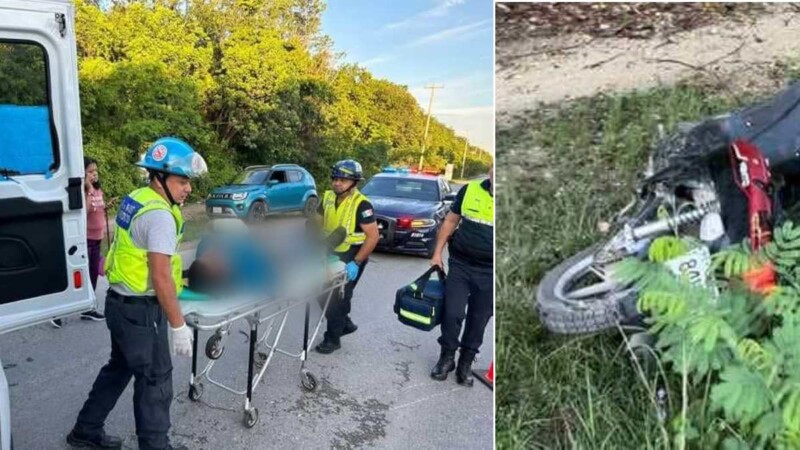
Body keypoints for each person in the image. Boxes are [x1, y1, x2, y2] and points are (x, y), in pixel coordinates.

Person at [66, 137, 207, 450]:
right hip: (141, 312)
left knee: (119, 368)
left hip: (119, 305)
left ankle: (85, 430)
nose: (188, 188)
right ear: (159, 177)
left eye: (189, 181)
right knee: (156, 378)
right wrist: (178, 325)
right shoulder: (160, 216)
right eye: (182, 181)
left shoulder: (136, 198)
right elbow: (160, 276)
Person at [429, 164, 494, 386]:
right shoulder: (470, 189)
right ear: (491, 171)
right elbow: (450, 221)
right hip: (461, 265)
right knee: (452, 313)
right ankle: (446, 358)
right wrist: (437, 253)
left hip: (491, 272)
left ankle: (465, 363)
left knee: (479, 319)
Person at [314, 159, 379, 354]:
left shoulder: (362, 204)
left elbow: (373, 236)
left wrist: (356, 263)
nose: (337, 183)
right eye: (335, 179)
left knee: (338, 298)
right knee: (321, 293)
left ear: (354, 182)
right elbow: (316, 222)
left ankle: (332, 339)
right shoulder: (327, 197)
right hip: (331, 250)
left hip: (353, 254)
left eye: (343, 180)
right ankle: (345, 323)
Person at [51, 157, 109, 328]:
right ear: (82, 173)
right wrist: (88, 190)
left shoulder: (98, 189)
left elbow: (99, 209)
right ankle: (57, 312)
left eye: (95, 171)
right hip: (85, 239)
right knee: (75, 277)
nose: (94, 174)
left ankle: (88, 308)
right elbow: (85, 212)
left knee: (92, 274)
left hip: (97, 238)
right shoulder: (83, 191)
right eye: (90, 171)